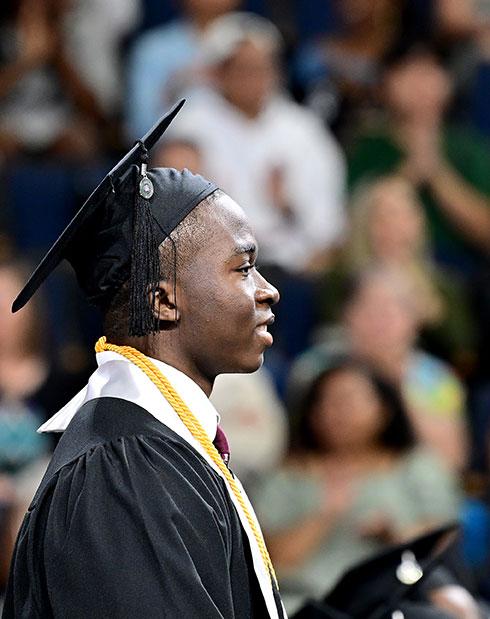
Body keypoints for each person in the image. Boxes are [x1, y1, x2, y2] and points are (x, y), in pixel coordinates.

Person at [2, 102, 285, 618]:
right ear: (163, 301)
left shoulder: (156, 443)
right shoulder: (124, 469)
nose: (268, 292)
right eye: (243, 268)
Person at [254, 359, 461, 615]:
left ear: (385, 408)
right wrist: (326, 512)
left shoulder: (415, 466)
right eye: (325, 402)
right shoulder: (288, 474)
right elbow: (272, 561)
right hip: (307, 603)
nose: (336, 412)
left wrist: (394, 534)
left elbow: (443, 542)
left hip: (394, 599)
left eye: (348, 400)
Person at [289, 265, 470, 471]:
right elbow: (297, 450)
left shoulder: (435, 378)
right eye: (368, 307)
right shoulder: (315, 367)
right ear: (346, 315)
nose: (379, 321)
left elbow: (451, 461)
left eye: (392, 309)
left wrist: (393, 379)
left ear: (414, 322)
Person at [321, 174, 477, 372]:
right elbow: (329, 336)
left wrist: (433, 315)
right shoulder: (342, 281)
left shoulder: (444, 285)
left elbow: (465, 354)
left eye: (401, 216)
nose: (392, 228)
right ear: (364, 225)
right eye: (382, 217)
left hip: (427, 386)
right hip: (357, 374)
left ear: (418, 224)